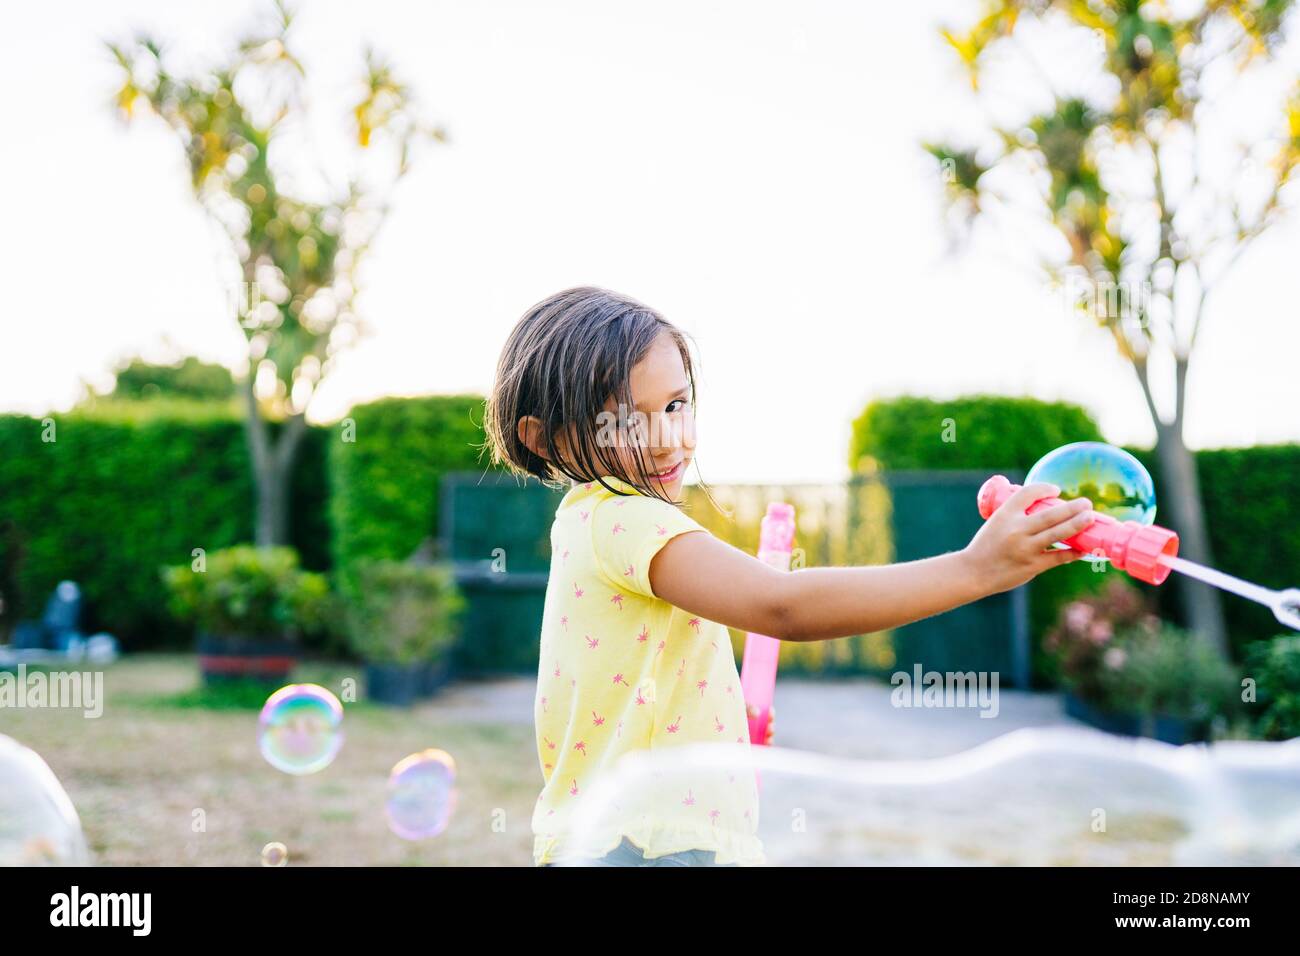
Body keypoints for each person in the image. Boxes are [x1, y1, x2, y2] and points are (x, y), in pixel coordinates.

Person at [483, 286, 1093, 866]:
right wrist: (975, 568)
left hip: (640, 836)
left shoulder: (594, 521)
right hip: (642, 846)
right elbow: (783, 607)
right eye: (628, 421)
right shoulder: (624, 518)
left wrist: (721, 733)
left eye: (676, 405)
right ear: (547, 439)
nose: (670, 438)